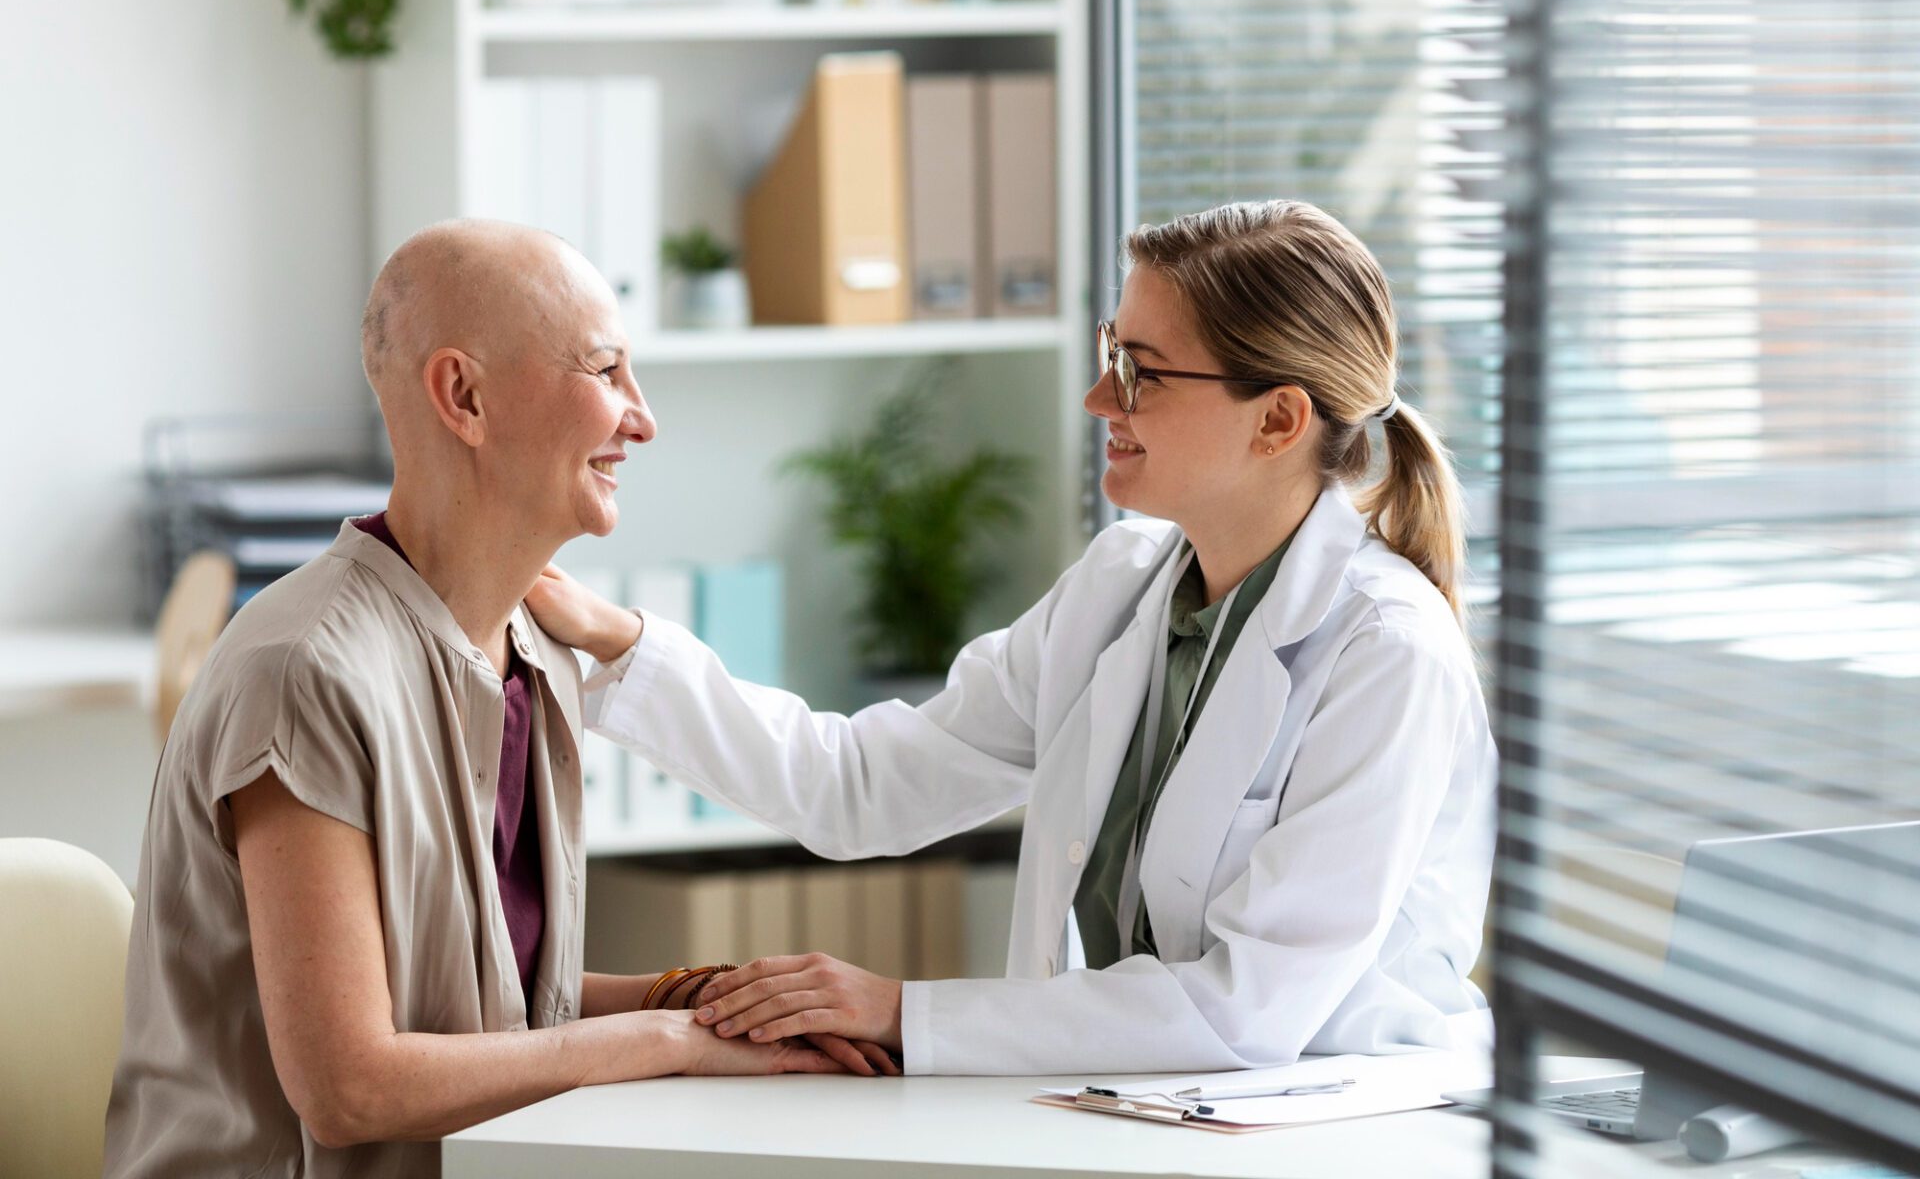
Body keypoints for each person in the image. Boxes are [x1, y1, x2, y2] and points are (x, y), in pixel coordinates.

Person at [525, 199, 1498, 1076]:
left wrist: (904, 1010)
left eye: (1141, 373)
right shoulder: (1118, 591)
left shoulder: (1386, 652)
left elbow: (1246, 1007)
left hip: (1344, 1121)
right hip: (1149, 1106)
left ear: (1279, 418)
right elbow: (859, 786)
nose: (1099, 401)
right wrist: (615, 642)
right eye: (1113, 352)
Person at [104, 221, 878, 1179]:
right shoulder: (305, 673)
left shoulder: (535, 650)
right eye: (606, 371)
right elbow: (353, 1087)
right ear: (463, 397)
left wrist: (707, 1001)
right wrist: (668, 1045)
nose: (641, 418)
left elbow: (496, 1005)